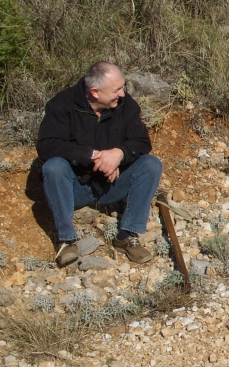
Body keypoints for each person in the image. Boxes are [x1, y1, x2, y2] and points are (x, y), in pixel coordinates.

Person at [36, 61, 162, 267]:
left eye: (122, 87)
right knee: (54, 167)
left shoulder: (125, 105)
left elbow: (142, 142)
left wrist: (118, 155)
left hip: (111, 184)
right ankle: (66, 242)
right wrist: (92, 155)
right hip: (73, 188)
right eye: (117, 89)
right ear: (94, 92)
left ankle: (127, 235)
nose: (122, 94)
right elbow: (46, 145)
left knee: (151, 165)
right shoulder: (62, 105)